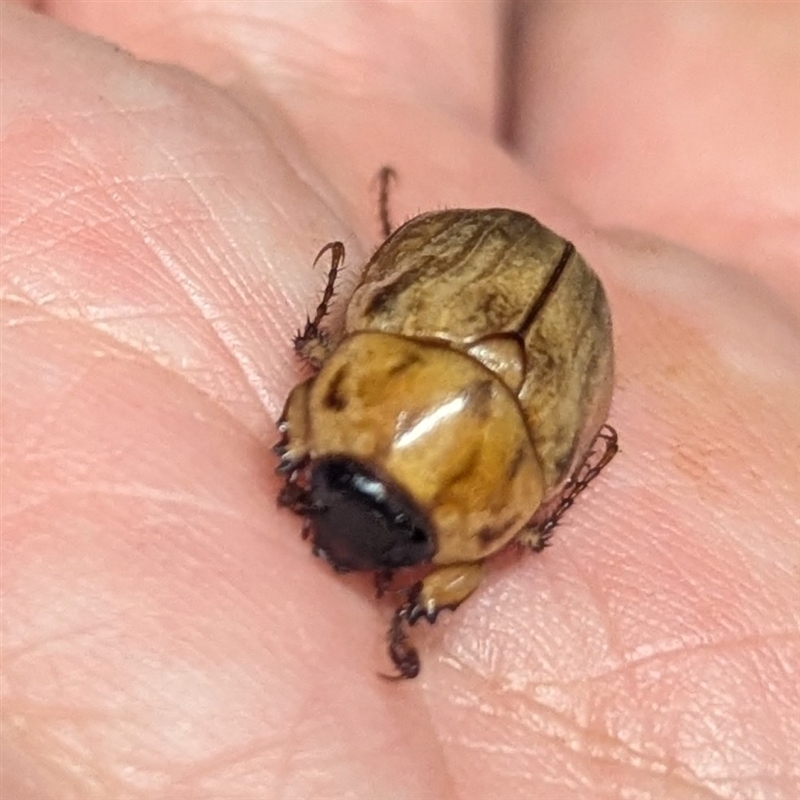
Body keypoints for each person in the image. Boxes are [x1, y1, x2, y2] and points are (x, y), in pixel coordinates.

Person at [2, 3, 797, 798]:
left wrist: (308, 453)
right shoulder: (463, 481)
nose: (345, 543)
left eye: (330, 478)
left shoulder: (398, 422)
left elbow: (324, 384)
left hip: (482, 297)